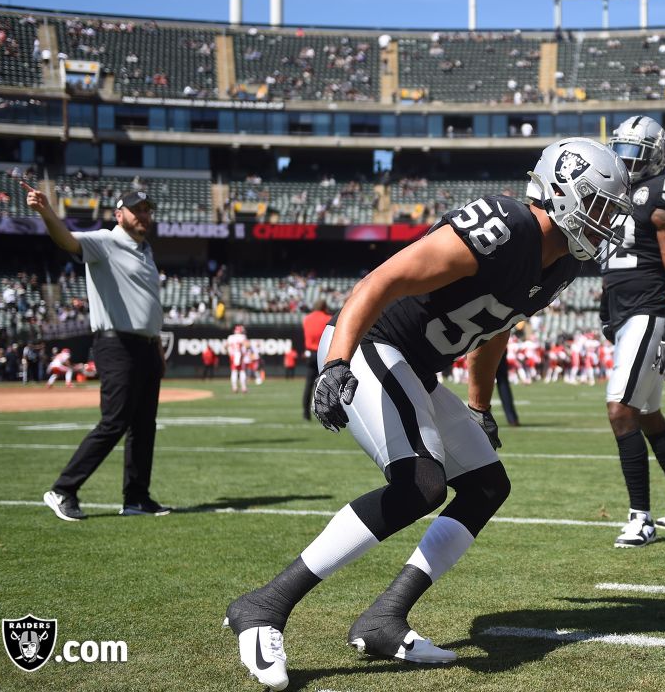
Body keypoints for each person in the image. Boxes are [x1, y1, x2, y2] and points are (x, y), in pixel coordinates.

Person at [222, 138, 630, 690]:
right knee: (420, 482)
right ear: (562, 192)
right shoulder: (505, 225)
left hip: (416, 366)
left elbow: (495, 332)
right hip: (372, 344)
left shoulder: (558, 265)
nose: (606, 224)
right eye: (601, 207)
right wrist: (337, 361)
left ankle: (384, 618)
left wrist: (481, 407)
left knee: (486, 485)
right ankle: (264, 605)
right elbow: (382, 280)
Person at [26, 184, 170, 521]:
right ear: (119, 215)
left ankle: (136, 498)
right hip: (116, 344)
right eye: (137, 210)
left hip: (147, 347)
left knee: (143, 426)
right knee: (115, 422)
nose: (144, 215)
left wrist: (158, 349)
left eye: (147, 209)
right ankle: (63, 489)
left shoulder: (145, 249)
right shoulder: (106, 241)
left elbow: (147, 307)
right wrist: (47, 212)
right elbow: (68, 241)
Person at [600, 115, 665, 548]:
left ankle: (641, 518)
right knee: (645, 414)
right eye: (620, 151)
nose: (625, 161)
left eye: (634, 153)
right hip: (625, 314)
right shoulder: (612, 190)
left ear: (655, 155)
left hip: (648, 312)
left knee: (620, 410)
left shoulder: (660, 190)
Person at [301, 300, 331, 420]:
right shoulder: (328, 318)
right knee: (324, 384)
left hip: (310, 353)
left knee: (309, 384)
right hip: (323, 353)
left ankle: (305, 413)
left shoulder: (307, 319)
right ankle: (324, 413)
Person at [226, 325, 248, 393]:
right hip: (239, 355)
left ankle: (234, 387)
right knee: (242, 371)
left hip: (233, 355)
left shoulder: (230, 337)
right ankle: (243, 387)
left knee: (234, 371)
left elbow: (225, 346)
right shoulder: (242, 337)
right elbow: (247, 345)